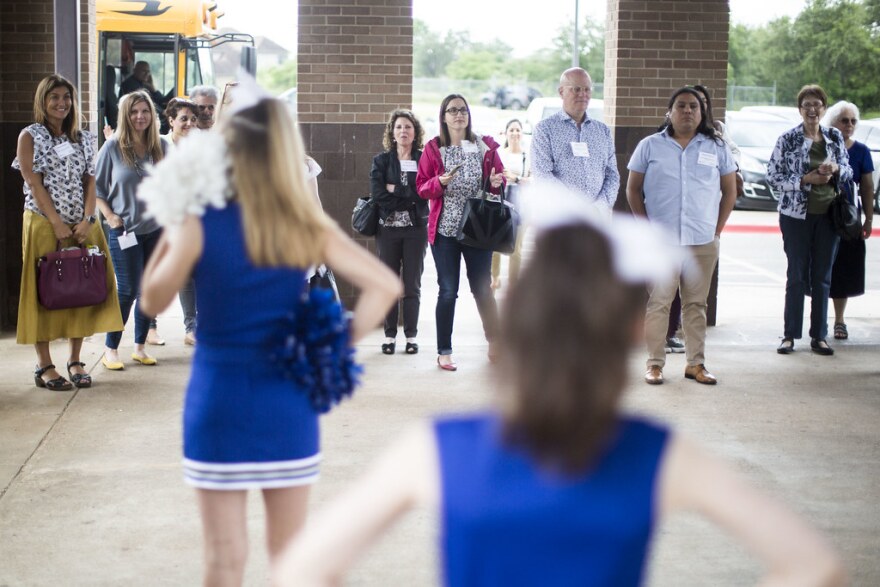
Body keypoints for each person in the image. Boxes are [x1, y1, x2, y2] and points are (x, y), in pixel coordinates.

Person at [272, 190, 845, 587]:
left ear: (516, 313)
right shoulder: (659, 456)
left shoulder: (438, 449)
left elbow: (301, 568)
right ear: (629, 329)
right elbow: (814, 566)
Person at [139, 83, 400, 586]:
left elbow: (151, 302)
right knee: (293, 556)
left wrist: (175, 218)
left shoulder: (199, 219)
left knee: (223, 561)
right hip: (288, 400)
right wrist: (333, 343)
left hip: (218, 402)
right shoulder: (303, 221)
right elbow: (385, 286)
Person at [12, 74, 123, 390]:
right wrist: (56, 223)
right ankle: (44, 365)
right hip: (43, 222)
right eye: (54, 97)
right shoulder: (30, 135)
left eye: (66, 97)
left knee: (83, 289)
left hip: (83, 224)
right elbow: (33, 181)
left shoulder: (85, 137)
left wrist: (89, 219)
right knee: (44, 290)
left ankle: (75, 360)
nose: (61, 103)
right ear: (43, 101)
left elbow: (91, 180)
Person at [626, 86, 738, 386]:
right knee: (659, 303)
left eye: (694, 107)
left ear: (702, 114)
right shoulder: (649, 146)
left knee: (696, 305)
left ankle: (695, 364)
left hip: (702, 240)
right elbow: (632, 189)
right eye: (681, 106)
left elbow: (730, 192)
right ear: (670, 111)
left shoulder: (717, 148)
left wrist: (716, 230)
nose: (687, 111)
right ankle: (654, 364)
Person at [416, 94, 504, 371]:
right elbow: (422, 187)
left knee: (482, 289)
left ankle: (496, 341)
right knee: (448, 290)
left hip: (477, 229)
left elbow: (497, 184)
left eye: (462, 110)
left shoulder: (483, 146)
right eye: (452, 111)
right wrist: (439, 183)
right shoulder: (433, 148)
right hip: (445, 231)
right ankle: (444, 350)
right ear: (443, 117)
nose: (458, 115)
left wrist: (494, 181)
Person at [767, 85, 852, 356]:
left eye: (817, 104)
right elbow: (772, 176)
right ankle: (790, 335)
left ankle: (820, 336)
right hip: (795, 217)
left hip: (829, 216)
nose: (812, 110)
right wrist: (805, 179)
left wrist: (837, 169)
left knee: (822, 278)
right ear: (800, 109)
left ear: (824, 108)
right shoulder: (787, 139)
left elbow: (849, 170)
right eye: (807, 105)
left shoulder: (834, 137)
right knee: (796, 275)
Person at [95, 90, 168, 370]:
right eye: (134, 112)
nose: (140, 116)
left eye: (145, 111)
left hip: (156, 230)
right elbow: (98, 191)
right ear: (126, 115)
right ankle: (111, 349)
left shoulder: (161, 146)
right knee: (126, 291)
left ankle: (139, 347)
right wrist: (111, 216)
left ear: (152, 115)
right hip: (125, 231)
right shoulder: (112, 147)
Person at [370, 109, 429, 355]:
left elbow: (426, 192)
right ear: (392, 133)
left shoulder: (424, 158)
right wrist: (409, 196)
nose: (403, 131)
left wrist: (396, 190)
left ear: (415, 132)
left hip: (416, 230)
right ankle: (390, 335)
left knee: (412, 285)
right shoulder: (381, 161)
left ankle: (411, 336)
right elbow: (378, 194)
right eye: (398, 127)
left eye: (408, 127)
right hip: (388, 231)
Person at [531, 67, 619, 213]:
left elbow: (612, 176)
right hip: (560, 218)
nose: (583, 94)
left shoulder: (602, 131)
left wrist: (598, 208)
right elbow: (542, 175)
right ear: (561, 92)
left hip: (596, 220)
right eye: (576, 89)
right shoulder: (545, 129)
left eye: (587, 89)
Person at [821, 101, 874, 340]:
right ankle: (817, 322)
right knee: (821, 269)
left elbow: (867, 186)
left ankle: (839, 320)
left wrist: (869, 219)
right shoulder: (822, 147)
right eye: (844, 120)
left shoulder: (861, 151)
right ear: (832, 123)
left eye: (853, 121)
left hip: (847, 218)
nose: (849, 125)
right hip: (822, 214)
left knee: (843, 268)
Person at [155, 97, 200, 346]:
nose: (189, 123)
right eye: (184, 119)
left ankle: (193, 327)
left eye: (193, 119)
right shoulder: (160, 145)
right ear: (170, 120)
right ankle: (149, 327)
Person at [491, 118, 530, 292]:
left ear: (522, 133)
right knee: (495, 245)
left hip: (523, 206)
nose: (514, 133)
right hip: (501, 203)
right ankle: (495, 277)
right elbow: (493, 175)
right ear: (506, 133)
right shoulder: (500, 154)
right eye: (511, 130)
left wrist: (514, 178)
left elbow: (533, 180)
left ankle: (513, 285)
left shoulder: (527, 156)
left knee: (516, 249)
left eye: (517, 130)